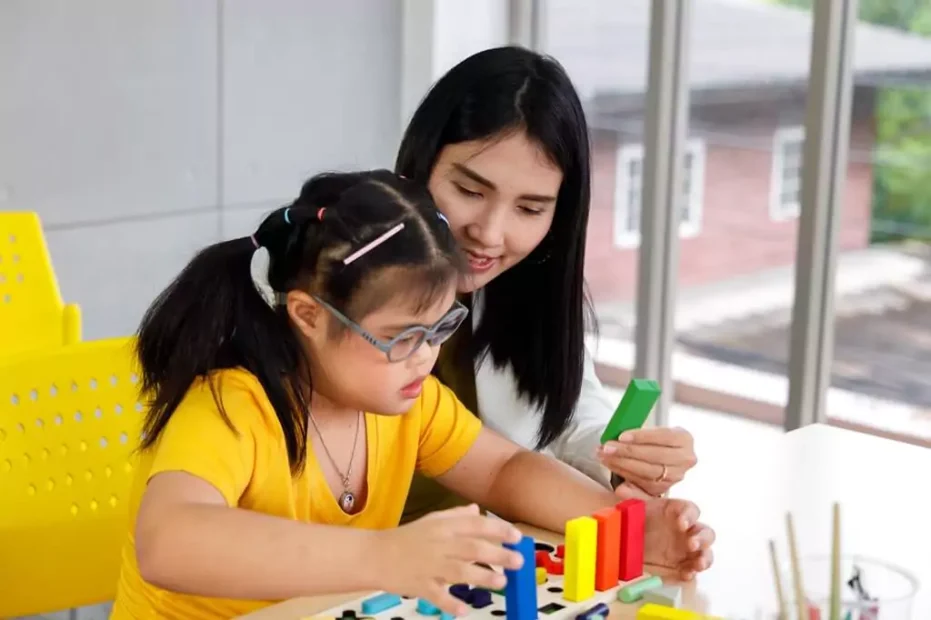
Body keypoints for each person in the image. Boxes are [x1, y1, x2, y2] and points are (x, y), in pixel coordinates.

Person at [109, 170, 714, 620]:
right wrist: (384, 555)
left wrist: (628, 526)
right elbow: (169, 541)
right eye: (401, 337)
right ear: (308, 316)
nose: (425, 356)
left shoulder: (407, 401)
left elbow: (504, 470)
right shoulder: (233, 405)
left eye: (440, 328)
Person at [395, 46, 698, 521]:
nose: (490, 233)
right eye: (470, 191)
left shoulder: (529, 288)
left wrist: (628, 460)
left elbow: (564, 417)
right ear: (419, 164)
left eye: (530, 209)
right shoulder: (340, 286)